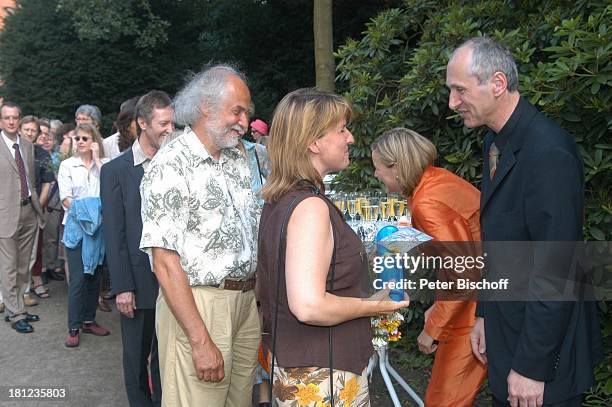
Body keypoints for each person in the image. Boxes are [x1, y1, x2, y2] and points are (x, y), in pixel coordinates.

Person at [446, 37, 602, 406]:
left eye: (459, 90)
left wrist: (533, 367)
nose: (453, 103)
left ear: (497, 84)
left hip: (546, 356)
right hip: (507, 331)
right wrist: (485, 312)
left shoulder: (549, 152)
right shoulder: (494, 143)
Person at [257, 88, 409, 406]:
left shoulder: (282, 200)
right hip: (324, 378)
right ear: (313, 142)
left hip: (310, 370)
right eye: (341, 129)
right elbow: (308, 305)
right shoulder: (309, 207)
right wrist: (377, 306)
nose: (350, 138)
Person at [140, 64, 262, 407]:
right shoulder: (171, 165)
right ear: (206, 107)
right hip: (199, 305)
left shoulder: (237, 159)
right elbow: (163, 262)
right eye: (236, 111)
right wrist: (199, 340)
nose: (244, 121)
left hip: (244, 303)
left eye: (247, 112)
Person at [371, 127, 486, 406]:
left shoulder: (426, 200)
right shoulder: (433, 181)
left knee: (443, 399)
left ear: (396, 168)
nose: (376, 175)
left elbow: (464, 272)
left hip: (478, 302)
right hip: (477, 294)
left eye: (378, 168)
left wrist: (432, 328)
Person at [101, 90, 173, 406]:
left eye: (173, 123)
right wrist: (122, 288)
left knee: (167, 358)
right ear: (142, 123)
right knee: (135, 358)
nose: (171, 130)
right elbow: (114, 234)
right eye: (164, 123)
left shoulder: (177, 166)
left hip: (175, 281)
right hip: (137, 283)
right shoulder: (115, 171)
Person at [58, 123, 111, 347]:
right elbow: (66, 199)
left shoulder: (105, 165)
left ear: (94, 142)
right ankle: (74, 326)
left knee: (94, 277)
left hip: (100, 229)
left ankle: (89, 320)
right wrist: (89, 213)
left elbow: (110, 188)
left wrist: (98, 161)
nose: (80, 141)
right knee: (78, 279)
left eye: (85, 138)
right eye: (77, 138)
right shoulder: (67, 165)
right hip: (77, 227)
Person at [0, 102, 43, 333]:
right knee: (8, 267)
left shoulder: (27, 145)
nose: (11, 121)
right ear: (0, 120)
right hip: (5, 215)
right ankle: (16, 314)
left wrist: (36, 208)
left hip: (28, 211)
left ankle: (16, 308)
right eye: (6, 117)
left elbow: (31, 179)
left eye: (15, 117)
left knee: (24, 265)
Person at [19, 117, 57, 302]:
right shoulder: (8, 150)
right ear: (20, 130)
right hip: (8, 210)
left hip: (32, 210)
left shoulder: (41, 153)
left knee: (30, 254)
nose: (30, 133)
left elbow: (48, 183)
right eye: (26, 129)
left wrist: (37, 208)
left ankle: (24, 292)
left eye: (33, 130)